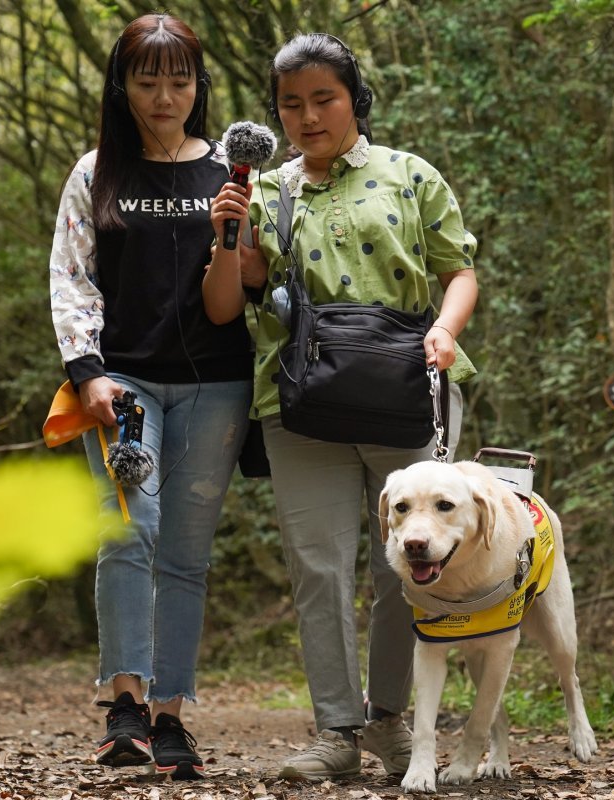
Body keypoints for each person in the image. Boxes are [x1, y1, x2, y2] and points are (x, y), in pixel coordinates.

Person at [203, 32, 478, 781]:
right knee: (318, 567)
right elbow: (227, 306)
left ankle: (391, 723)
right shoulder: (266, 191)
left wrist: (446, 333)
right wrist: (228, 235)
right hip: (299, 404)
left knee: (407, 563)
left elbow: (459, 272)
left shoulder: (409, 175)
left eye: (323, 98)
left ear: (354, 97)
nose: (308, 115)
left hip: (407, 388)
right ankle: (335, 732)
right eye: (291, 104)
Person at [48, 13, 254, 780]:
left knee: (187, 554)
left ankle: (171, 716)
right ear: (122, 86)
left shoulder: (232, 170)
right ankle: (125, 705)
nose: (164, 96)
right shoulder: (98, 170)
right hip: (123, 382)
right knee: (130, 528)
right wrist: (87, 370)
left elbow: (258, 276)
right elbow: (70, 277)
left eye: (179, 80)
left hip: (217, 383)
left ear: (198, 86)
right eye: (147, 80)